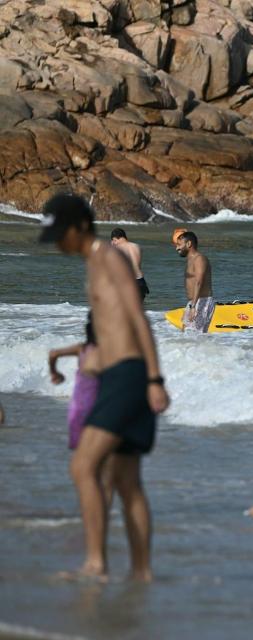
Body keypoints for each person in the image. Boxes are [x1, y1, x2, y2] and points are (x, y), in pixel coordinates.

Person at [39, 193, 170, 582]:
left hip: (130, 374)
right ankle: (141, 573)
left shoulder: (109, 259)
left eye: (61, 235)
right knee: (126, 481)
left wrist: (154, 379)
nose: (59, 244)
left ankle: (96, 564)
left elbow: (137, 317)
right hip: (119, 375)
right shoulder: (94, 263)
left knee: (83, 466)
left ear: (79, 227)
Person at [48, 319, 101, 452]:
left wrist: (54, 373)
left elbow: (53, 353)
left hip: (78, 405)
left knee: (82, 448)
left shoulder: (81, 348)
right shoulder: (106, 352)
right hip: (96, 406)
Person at [174, 231, 214, 333]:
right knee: (186, 335)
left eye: (179, 245)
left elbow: (199, 281)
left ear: (189, 244)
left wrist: (193, 306)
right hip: (194, 302)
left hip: (202, 301)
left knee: (193, 338)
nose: (177, 248)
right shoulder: (190, 260)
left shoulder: (199, 259)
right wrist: (191, 304)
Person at [110, 228, 148, 302]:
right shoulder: (137, 246)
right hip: (141, 282)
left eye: (114, 241)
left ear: (115, 239)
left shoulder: (118, 248)